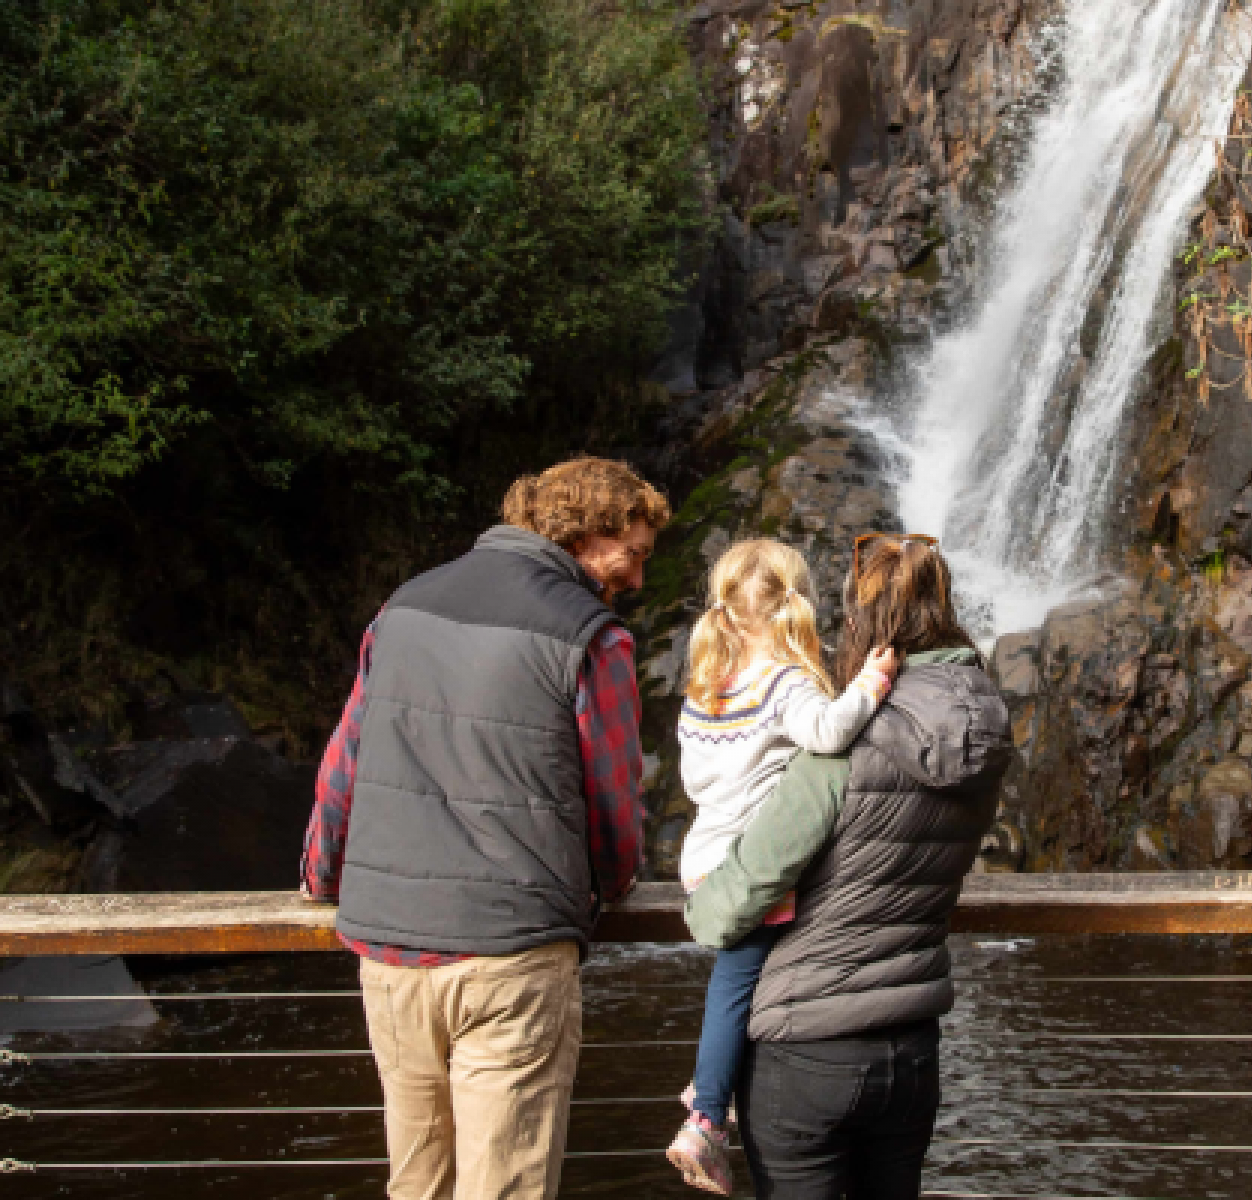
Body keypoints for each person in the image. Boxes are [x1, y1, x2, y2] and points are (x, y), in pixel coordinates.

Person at [298, 456, 668, 1200]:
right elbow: (613, 804)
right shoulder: (593, 637)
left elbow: (343, 766)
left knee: (417, 1185)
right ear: (585, 533)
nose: (635, 579)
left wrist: (322, 876)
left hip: (389, 951)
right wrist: (612, 883)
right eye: (632, 553)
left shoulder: (403, 606)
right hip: (511, 958)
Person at [684, 535, 1013, 1200]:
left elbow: (728, 909)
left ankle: (703, 1112)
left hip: (808, 1050)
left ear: (860, 623)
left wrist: (699, 901)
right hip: (912, 1045)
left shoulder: (841, 750)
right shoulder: (985, 730)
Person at [666, 539, 902, 1195]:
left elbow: (694, 778)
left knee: (740, 978)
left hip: (705, 858)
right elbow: (827, 733)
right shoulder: (784, 680)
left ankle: (718, 1084)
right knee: (736, 985)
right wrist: (871, 682)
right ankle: (708, 1116)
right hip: (756, 864)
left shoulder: (707, 689)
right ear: (795, 606)